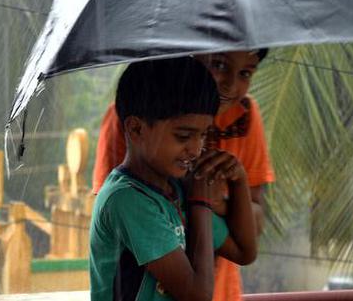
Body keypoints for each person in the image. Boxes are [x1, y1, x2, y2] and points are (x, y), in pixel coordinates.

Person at [92, 50, 275, 301]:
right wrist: (200, 201)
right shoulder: (126, 199)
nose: (196, 149)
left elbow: (245, 252)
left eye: (202, 135)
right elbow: (198, 295)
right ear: (136, 128)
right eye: (183, 136)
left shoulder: (175, 193)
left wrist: (239, 179)